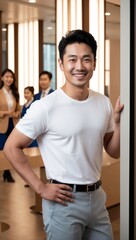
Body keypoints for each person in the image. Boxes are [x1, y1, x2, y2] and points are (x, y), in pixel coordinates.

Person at [4, 30, 124, 240]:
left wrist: (118, 122)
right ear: (61, 63)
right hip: (63, 202)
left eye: (86, 59)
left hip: (97, 198)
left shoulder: (102, 102)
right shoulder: (45, 107)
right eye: (72, 59)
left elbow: (113, 152)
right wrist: (40, 188)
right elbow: (11, 147)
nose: (79, 66)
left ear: (94, 63)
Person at [0, 68, 21, 182]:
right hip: (1, 125)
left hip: (12, 125)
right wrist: (7, 113)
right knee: (2, 148)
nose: (9, 79)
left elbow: (18, 109)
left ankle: (7, 172)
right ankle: (6, 172)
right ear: (2, 78)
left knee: (10, 148)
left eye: (11, 77)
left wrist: (17, 113)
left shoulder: (15, 93)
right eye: (7, 77)